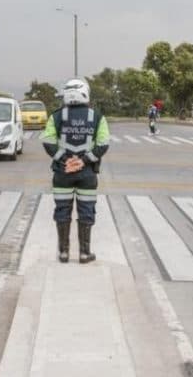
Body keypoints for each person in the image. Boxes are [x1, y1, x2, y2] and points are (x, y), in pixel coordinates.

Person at [41, 78, 110, 264]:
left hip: (62, 173)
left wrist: (66, 160)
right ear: (85, 93)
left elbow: (48, 142)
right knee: (86, 210)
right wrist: (83, 161)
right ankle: (84, 254)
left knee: (62, 210)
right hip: (87, 174)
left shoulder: (56, 116)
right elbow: (103, 144)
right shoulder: (97, 117)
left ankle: (63, 253)